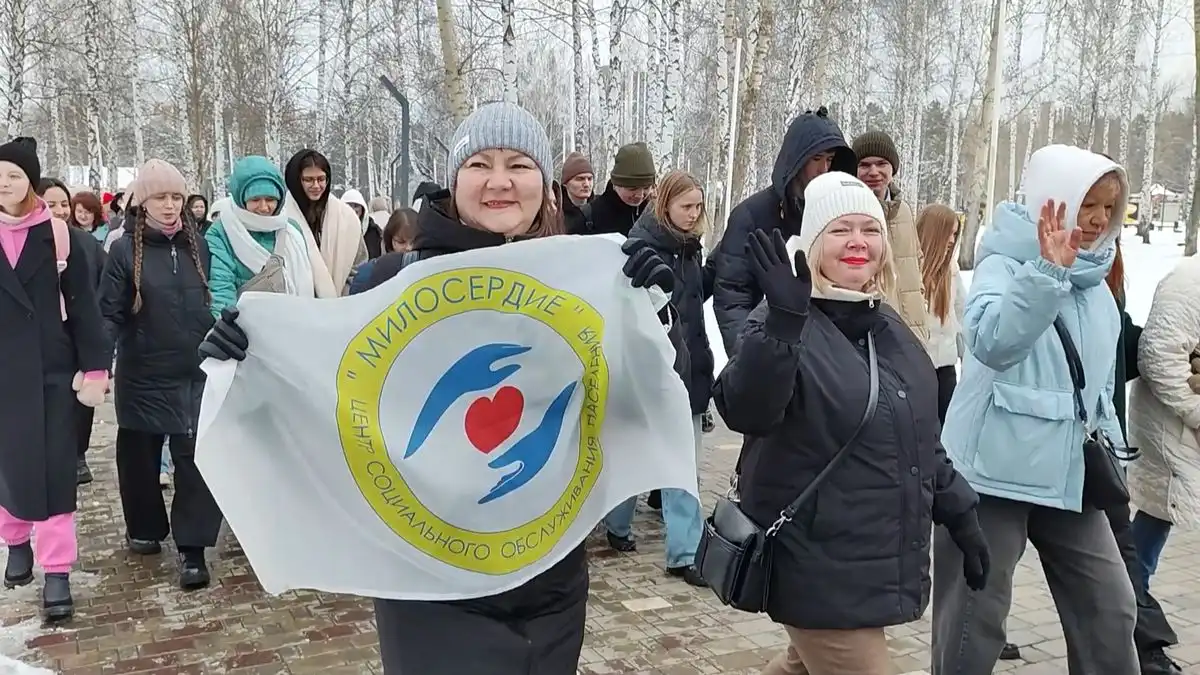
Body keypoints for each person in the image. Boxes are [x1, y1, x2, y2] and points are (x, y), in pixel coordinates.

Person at [198, 101, 680, 674]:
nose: (500, 181)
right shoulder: (389, 282)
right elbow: (321, 401)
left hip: (549, 574)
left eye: (519, 164)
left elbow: (621, 407)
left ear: (543, 185)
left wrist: (648, 314)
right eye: (480, 163)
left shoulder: (591, 280)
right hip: (430, 584)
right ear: (455, 179)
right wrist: (248, 365)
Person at [714, 172, 985, 675]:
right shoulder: (779, 320)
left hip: (872, 559)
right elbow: (746, 410)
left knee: (800, 665)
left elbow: (918, 439)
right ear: (814, 242)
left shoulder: (890, 328)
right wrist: (783, 326)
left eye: (870, 228)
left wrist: (960, 511)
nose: (858, 241)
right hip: (816, 566)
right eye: (840, 230)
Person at [932, 144, 1139, 674]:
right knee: (974, 624)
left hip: (1071, 474)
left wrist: (1110, 442)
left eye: (1108, 206)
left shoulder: (1097, 277)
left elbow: (1096, 384)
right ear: (1055, 200)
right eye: (1086, 203)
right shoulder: (1006, 262)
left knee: (1111, 611)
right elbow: (992, 341)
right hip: (992, 474)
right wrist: (1046, 273)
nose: (1097, 219)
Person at [97, 159, 223, 590]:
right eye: (160, 198)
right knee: (138, 459)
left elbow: (213, 302)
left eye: (176, 197)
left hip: (193, 371)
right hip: (143, 372)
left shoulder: (198, 245)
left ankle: (193, 549)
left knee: (194, 462)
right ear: (142, 202)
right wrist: (97, 361)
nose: (170, 206)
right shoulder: (122, 250)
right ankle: (145, 527)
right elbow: (109, 312)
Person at [0, 137, 111, 620]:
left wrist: (95, 368)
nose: (4, 184)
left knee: (57, 468)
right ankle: (15, 538)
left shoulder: (61, 236)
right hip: (3, 373)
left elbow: (86, 308)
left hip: (53, 369)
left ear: (31, 181)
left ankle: (58, 571)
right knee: (9, 463)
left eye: (14, 175)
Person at [615, 171, 715, 585]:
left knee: (681, 464)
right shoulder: (640, 248)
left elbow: (694, 311)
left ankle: (683, 551)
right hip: (653, 368)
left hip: (688, 368)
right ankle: (622, 527)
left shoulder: (690, 249)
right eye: (685, 206)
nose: (693, 215)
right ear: (665, 206)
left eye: (698, 206)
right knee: (636, 455)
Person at [1106, 239, 1185, 675]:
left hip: (1104, 446)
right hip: (1053, 448)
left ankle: (1142, 646)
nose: (1099, 223)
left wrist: (1174, 350)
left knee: (1122, 552)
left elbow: (1127, 349)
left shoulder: (1109, 283)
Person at [36, 179, 107, 486]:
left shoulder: (83, 242)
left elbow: (102, 284)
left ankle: (78, 455)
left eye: (63, 204)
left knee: (79, 401)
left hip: (77, 334)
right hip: (37, 339)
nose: (60, 210)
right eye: (50, 204)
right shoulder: (24, 242)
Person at [206, 156, 336, 317]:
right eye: (255, 199)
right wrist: (224, 327)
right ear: (241, 198)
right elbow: (221, 287)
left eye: (270, 199)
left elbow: (310, 281)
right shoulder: (222, 231)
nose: (264, 207)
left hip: (296, 323)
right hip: (247, 330)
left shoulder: (291, 230)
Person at [852, 130, 927, 343]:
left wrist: (921, 311)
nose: (873, 172)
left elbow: (915, 263)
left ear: (892, 168)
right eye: (864, 165)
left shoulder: (903, 211)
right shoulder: (848, 213)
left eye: (881, 163)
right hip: (874, 339)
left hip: (913, 334)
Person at [282, 150, 367, 293]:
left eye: (321, 179)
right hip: (295, 304)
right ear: (296, 180)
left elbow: (358, 265)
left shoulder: (346, 218)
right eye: (308, 180)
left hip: (340, 304)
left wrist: (344, 297)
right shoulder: (282, 217)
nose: (316, 186)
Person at [915, 204, 965, 422]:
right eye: (948, 233)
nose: (952, 240)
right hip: (915, 371)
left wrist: (971, 366)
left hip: (945, 372)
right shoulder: (907, 273)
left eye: (955, 233)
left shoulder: (951, 274)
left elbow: (963, 321)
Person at [565, 142, 655, 236]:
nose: (640, 195)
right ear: (616, 184)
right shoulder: (589, 217)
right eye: (632, 189)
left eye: (646, 188)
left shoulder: (655, 218)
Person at [347, 207, 418, 295]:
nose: (409, 248)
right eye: (401, 242)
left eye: (414, 241)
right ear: (390, 240)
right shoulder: (369, 273)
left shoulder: (429, 269)